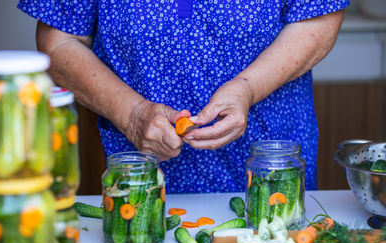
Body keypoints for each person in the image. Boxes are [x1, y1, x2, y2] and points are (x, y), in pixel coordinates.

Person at [18, 0, 348, 193]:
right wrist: (132, 114)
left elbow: (319, 19)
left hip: (268, 164)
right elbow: (58, 44)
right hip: (142, 176)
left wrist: (247, 88)